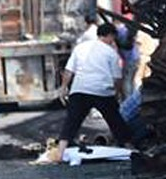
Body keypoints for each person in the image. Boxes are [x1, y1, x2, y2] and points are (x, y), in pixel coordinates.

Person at [51, 22, 132, 163]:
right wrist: (119, 93)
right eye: (113, 38)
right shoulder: (111, 53)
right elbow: (117, 78)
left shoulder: (80, 48)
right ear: (110, 36)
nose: (113, 41)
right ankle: (130, 148)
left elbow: (69, 70)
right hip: (102, 91)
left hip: (79, 89)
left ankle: (60, 153)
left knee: (71, 122)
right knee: (115, 121)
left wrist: (63, 88)